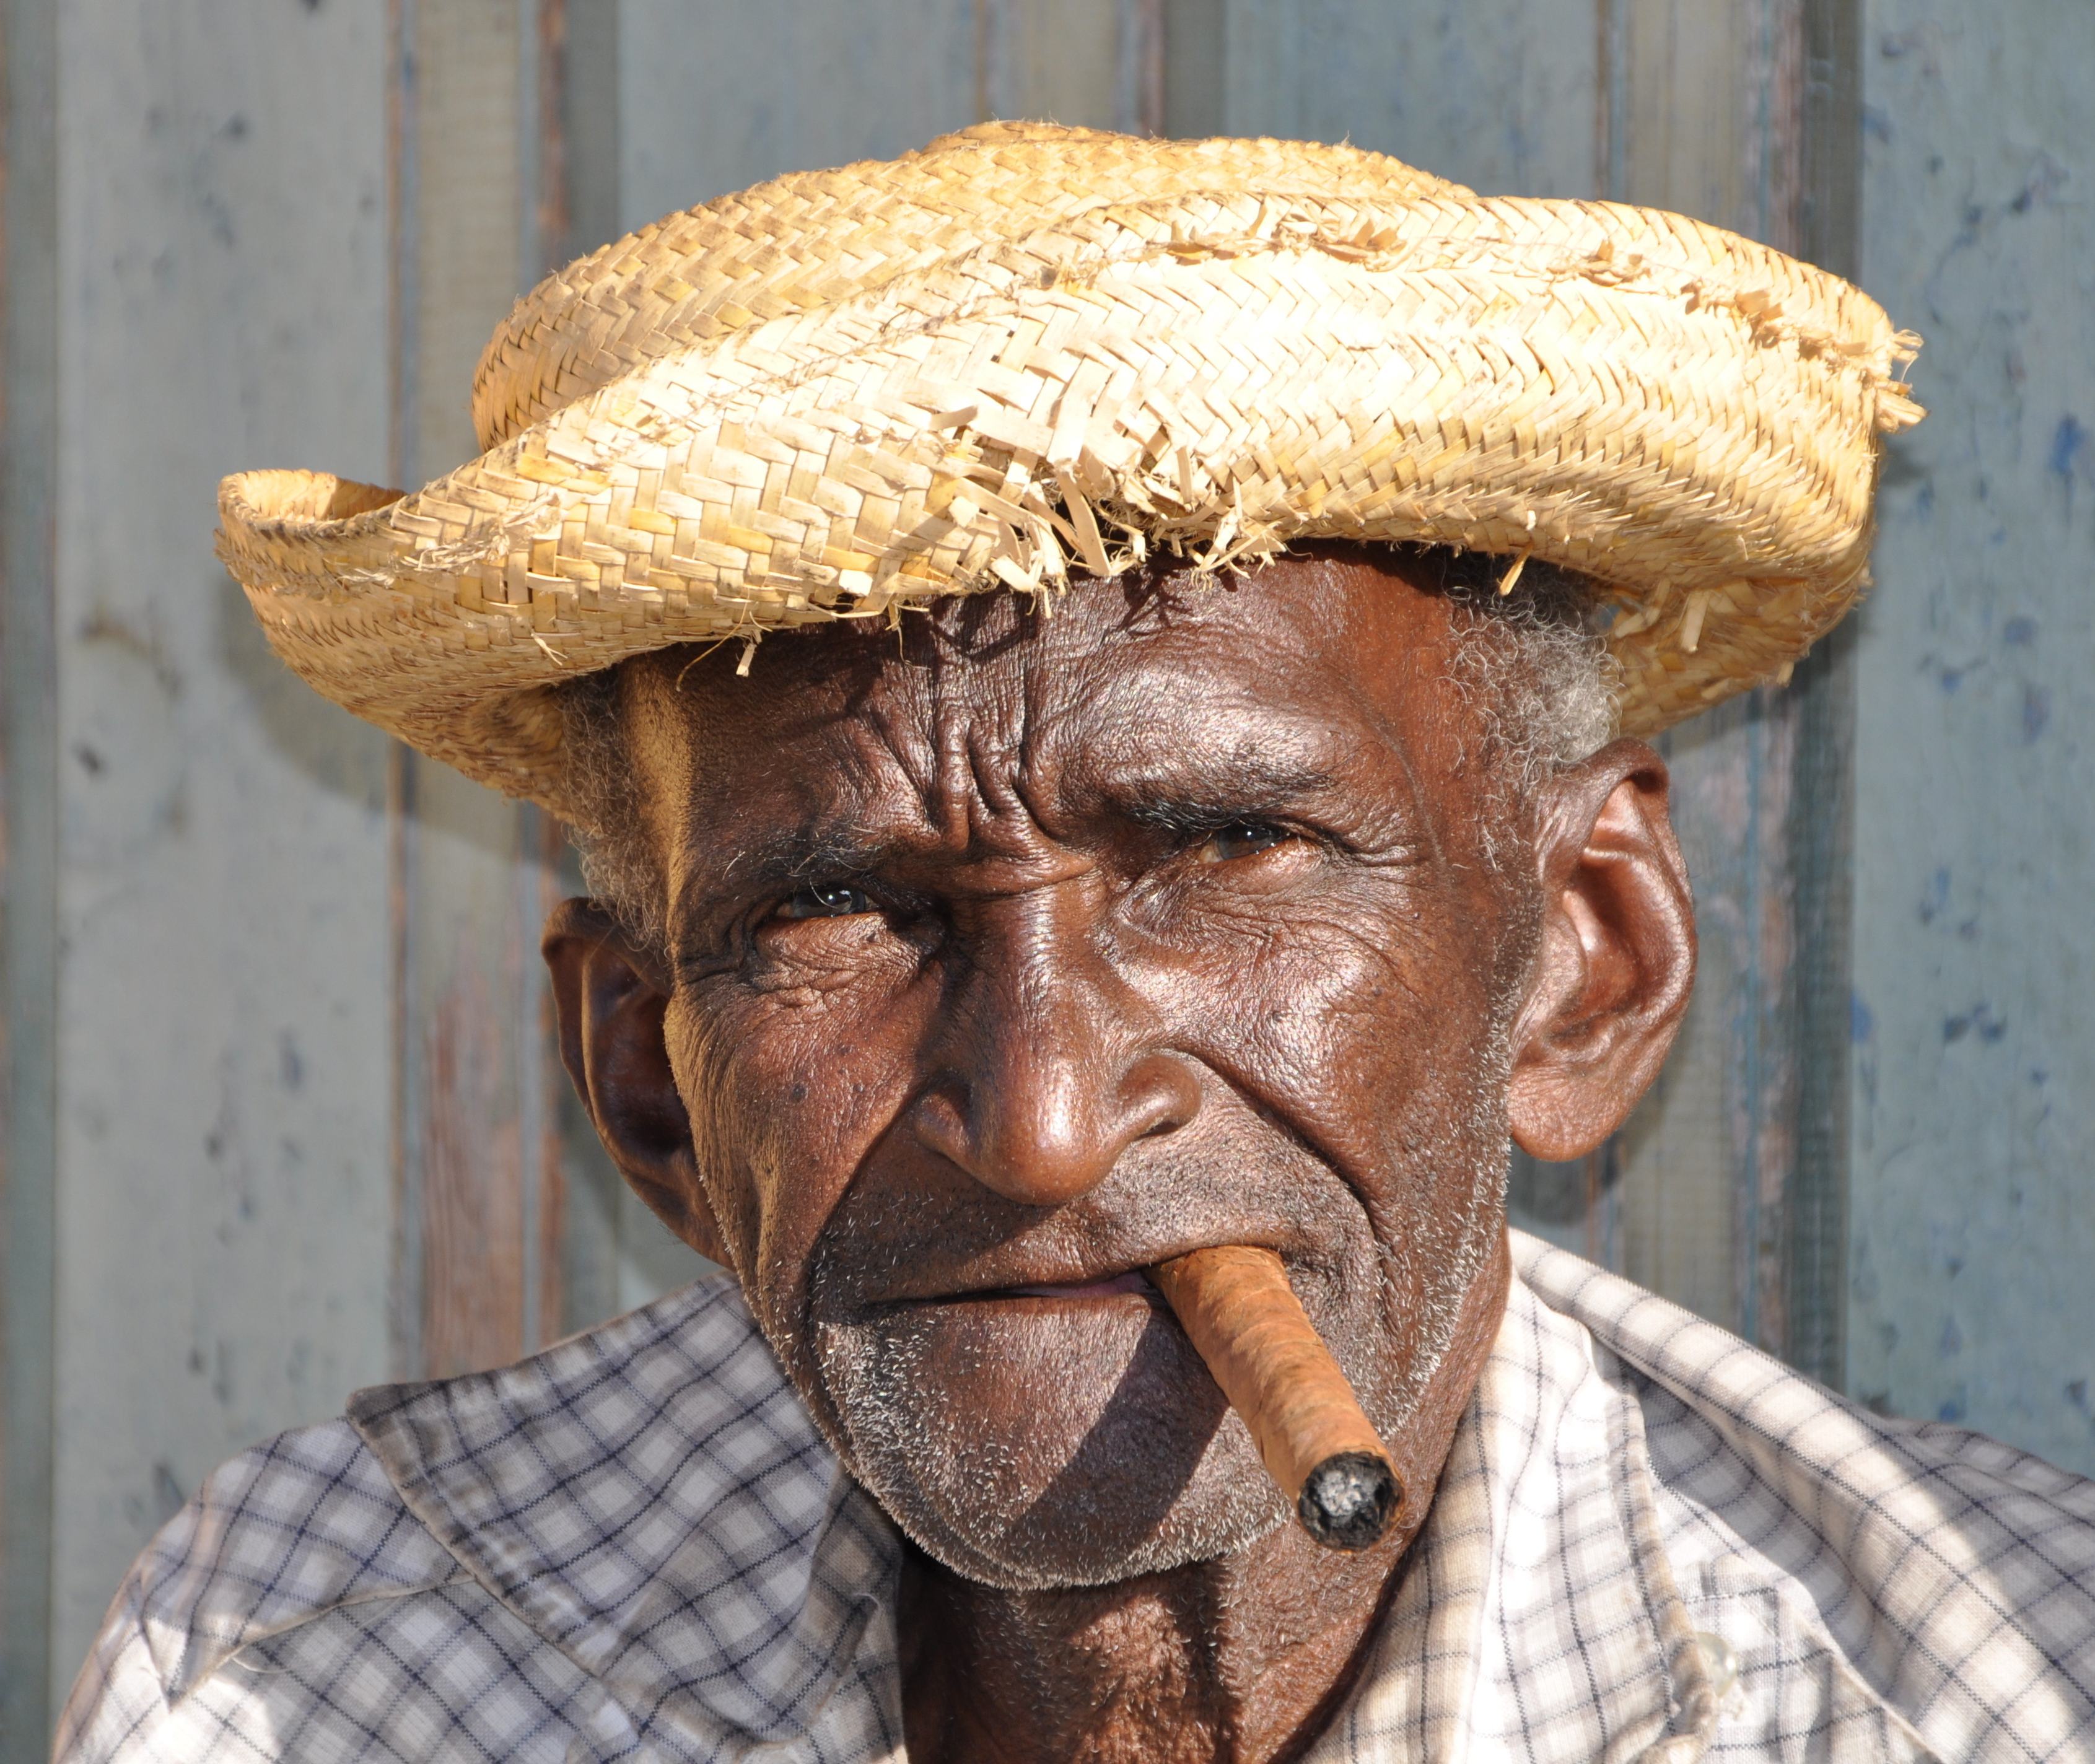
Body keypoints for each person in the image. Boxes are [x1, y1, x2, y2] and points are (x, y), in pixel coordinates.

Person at [57, 123, 2095, 1763]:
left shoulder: (1976, 1700)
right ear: (647, 1092)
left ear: (1586, 967)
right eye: (842, 908)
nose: (1034, 1123)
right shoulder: (315, 1678)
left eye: (1224, 850)